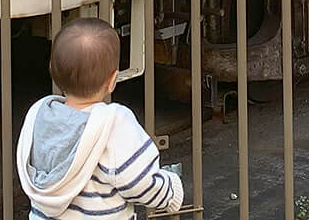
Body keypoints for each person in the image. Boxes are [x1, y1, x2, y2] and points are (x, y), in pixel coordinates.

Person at [18, 18, 184, 220]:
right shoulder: (113, 124)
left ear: (53, 72)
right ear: (113, 80)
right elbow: (140, 183)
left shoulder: (39, 115)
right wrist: (171, 192)